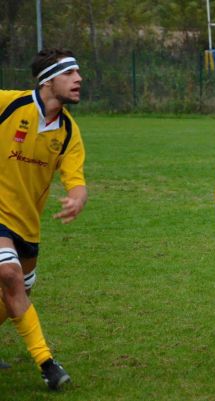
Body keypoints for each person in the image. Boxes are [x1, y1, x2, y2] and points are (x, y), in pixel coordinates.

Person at [0, 48, 87, 390]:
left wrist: (78, 196)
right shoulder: (9, 103)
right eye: (70, 73)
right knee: (10, 275)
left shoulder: (67, 131)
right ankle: (47, 364)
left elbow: (76, 179)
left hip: (27, 225)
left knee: (12, 298)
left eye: (79, 73)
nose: (79, 79)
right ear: (48, 80)